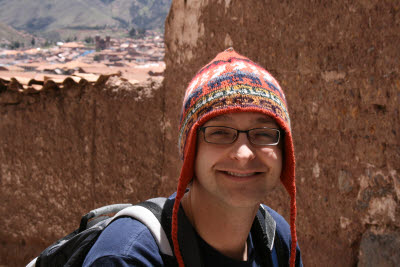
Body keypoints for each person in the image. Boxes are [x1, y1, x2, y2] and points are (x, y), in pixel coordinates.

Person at [83, 48, 303, 267]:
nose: (243, 154)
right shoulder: (129, 256)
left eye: (263, 134)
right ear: (190, 150)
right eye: (220, 133)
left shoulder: (275, 240)